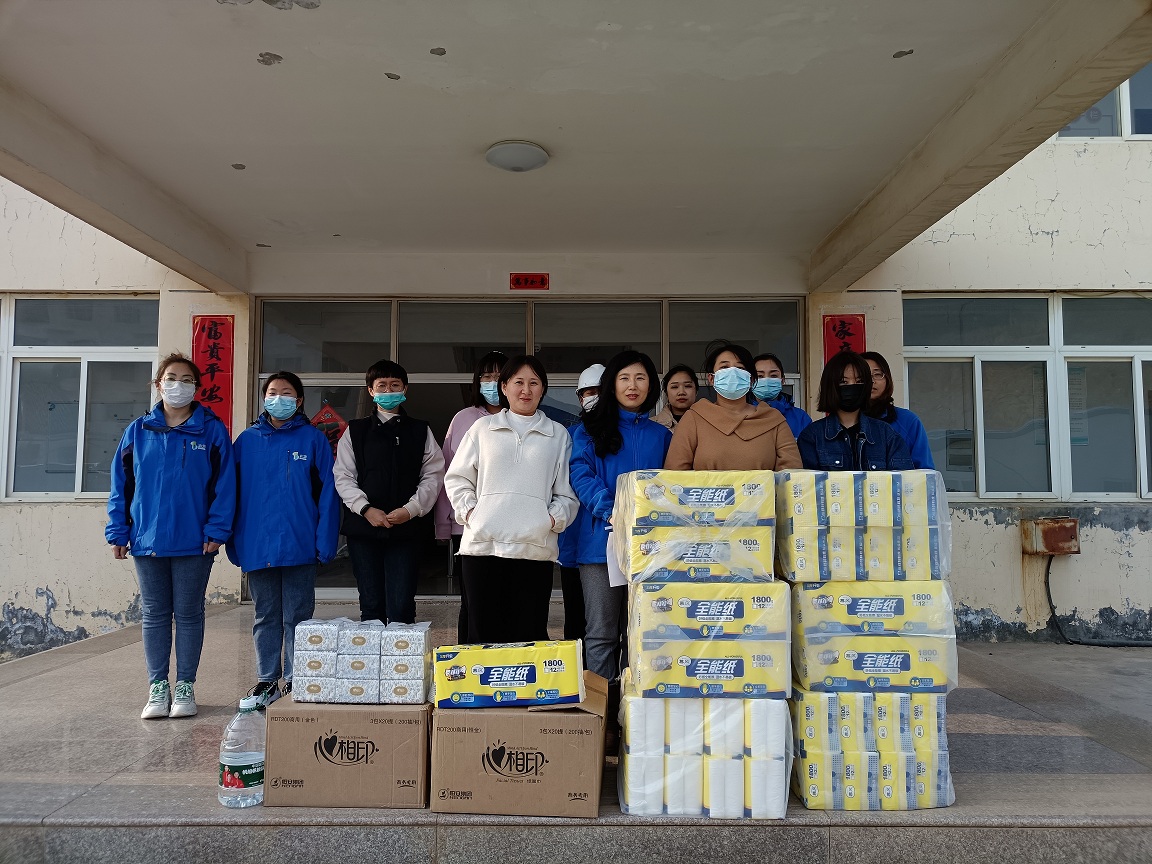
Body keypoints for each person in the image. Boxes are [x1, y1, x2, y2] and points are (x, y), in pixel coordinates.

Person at [106, 353, 236, 720]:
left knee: (190, 613)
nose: (178, 385)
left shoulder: (211, 430)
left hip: (196, 541)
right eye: (171, 377)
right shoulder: (138, 430)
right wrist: (118, 529)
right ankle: (157, 686)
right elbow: (121, 485)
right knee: (155, 614)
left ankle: (185, 687)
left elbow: (225, 486)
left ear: (197, 386)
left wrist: (217, 529)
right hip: (147, 539)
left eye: (186, 379)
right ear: (158, 384)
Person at [444, 355, 579, 643]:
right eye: (518, 382)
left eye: (534, 383)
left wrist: (550, 520)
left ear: (543, 389)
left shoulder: (558, 435)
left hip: (533, 550)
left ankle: (524, 690)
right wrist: (471, 514)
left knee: (527, 636)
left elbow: (566, 494)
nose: (525, 390)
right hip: (483, 548)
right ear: (504, 387)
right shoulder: (482, 430)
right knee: (481, 636)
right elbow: (457, 479)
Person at [228, 370, 341, 707]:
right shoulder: (246, 441)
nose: (279, 398)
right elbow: (228, 494)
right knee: (265, 614)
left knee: (299, 617)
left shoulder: (313, 440)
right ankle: (267, 680)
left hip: (299, 543)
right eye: (273, 392)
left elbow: (328, 495)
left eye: (287, 392)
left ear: (300, 400)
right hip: (257, 545)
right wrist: (233, 541)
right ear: (264, 398)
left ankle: (296, 677)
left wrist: (325, 542)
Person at [569, 351, 671, 682]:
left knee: (643, 633)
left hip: (652, 548)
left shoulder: (663, 436)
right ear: (611, 385)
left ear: (651, 386)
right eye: (624, 378)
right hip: (603, 544)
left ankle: (636, 712)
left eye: (640, 378)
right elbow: (580, 473)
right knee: (601, 634)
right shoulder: (589, 430)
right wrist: (610, 508)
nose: (632, 386)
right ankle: (603, 716)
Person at [333, 359, 445, 625]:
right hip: (364, 529)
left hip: (406, 529)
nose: (388, 389)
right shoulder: (356, 431)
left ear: (405, 389)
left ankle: (403, 666)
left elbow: (434, 475)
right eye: (381, 385)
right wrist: (365, 509)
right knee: (370, 605)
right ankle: (372, 666)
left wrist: (411, 509)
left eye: (395, 385)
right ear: (371, 391)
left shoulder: (420, 430)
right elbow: (343, 476)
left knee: (401, 605)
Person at [433, 351, 508, 643]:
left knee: (507, 598)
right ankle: (471, 665)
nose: (492, 382)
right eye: (486, 377)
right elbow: (447, 471)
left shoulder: (525, 419)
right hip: (469, 525)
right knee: (473, 602)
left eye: (499, 376)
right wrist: (444, 523)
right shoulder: (463, 419)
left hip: (512, 527)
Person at [664, 342, 802, 471]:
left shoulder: (774, 420)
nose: (733, 373)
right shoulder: (694, 418)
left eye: (740, 368)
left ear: (751, 379)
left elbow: (792, 477)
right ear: (711, 379)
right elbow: (674, 476)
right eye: (724, 367)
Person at [797, 351, 915, 471]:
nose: (852, 387)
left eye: (859, 382)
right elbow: (807, 486)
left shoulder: (886, 434)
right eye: (843, 382)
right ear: (830, 386)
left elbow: (902, 483)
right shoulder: (812, 437)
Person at [556, 364, 604, 644]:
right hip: (574, 540)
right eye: (588, 392)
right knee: (576, 617)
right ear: (579, 397)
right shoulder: (569, 436)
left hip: (608, 541)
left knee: (607, 622)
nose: (594, 397)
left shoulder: (625, 433)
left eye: (600, 392)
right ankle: (578, 681)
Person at [861, 351, 935, 470]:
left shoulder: (908, 421)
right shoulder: (844, 421)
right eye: (864, 376)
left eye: (878, 374)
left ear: (887, 379)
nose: (872, 381)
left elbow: (924, 473)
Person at [752, 352, 812, 439]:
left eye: (773, 375)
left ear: (782, 380)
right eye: (760, 376)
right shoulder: (741, 415)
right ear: (751, 381)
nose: (766, 380)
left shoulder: (800, 417)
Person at [652, 364, 698, 429]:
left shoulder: (709, 423)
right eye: (674, 387)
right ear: (666, 393)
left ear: (696, 391)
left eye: (687, 386)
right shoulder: (651, 425)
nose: (681, 392)